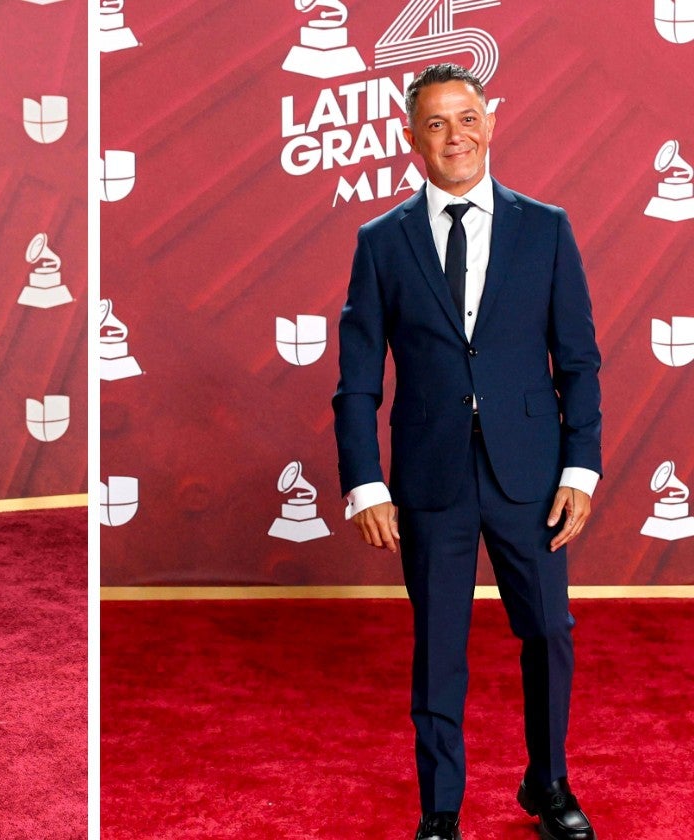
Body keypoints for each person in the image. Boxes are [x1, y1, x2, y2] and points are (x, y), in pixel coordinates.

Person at [332, 64, 601, 840]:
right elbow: (356, 381)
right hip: (430, 479)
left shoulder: (546, 228)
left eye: (469, 117)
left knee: (548, 630)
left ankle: (547, 784)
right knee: (439, 646)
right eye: (438, 123)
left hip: (532, 475)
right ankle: (440, 809)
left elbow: (577, 360)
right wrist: (365, 484)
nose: (457, 135)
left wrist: (580, 467)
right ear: (412, 138)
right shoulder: (380, 242)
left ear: (491, 123)